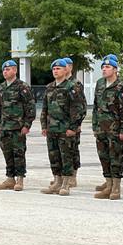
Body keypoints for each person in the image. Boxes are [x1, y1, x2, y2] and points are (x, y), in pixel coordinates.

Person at [92, 58, 123, 200]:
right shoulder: (100, 84)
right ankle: (108, 185)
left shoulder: (121, 86)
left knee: (115, 158)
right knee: (103, 157)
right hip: (101, 129)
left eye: (108, 67)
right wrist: (94, 126)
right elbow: (96, 107)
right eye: (103, 67)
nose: (104, 69)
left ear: (115, 69)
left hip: (115, 129)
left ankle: (116, 188)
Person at [39, 59, 82, 196]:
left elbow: (77, 109)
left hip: (65, 129)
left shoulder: (71, 86)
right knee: (54, 156)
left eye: (58, 69)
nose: (56, 71)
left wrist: (73, 127)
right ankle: (56, 181)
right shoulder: (50, 87)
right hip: (52, 128)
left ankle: (66, 184)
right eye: (54, 69)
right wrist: (44, 125)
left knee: (66, 157)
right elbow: (45, 108)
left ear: (65, 70)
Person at [0, 60, 36, 192]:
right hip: (5, 126)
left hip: (18, 127)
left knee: (19, 153)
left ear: (15, 70)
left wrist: (27, 124)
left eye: (8, 70)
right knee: (7, 153)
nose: (5, 72)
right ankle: (10, 178)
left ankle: (19, 178)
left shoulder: (22, 86)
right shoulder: (1, 87)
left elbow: (30, 106)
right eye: (4, 70)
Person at [61, 57, 87, 187]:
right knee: (61, 151)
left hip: (73, 124)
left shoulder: (75, 84)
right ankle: (62, 177)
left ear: (70, 68)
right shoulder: (59, 84)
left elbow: (82, 106)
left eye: (64, 66)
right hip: (60, 126)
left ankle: (73, 176)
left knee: (73, 150)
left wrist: (78, 124)